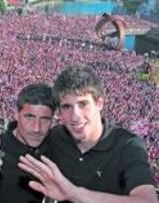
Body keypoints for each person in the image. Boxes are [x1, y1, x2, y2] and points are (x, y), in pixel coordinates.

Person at [19, 66, 158, 203]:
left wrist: (73, 193)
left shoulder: (127, 145)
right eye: (67, 106)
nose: (75, 116)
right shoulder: (55, 137)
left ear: (100, 103)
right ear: (59, 112)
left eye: (83, 104)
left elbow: (148, 200)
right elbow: (18, 148)